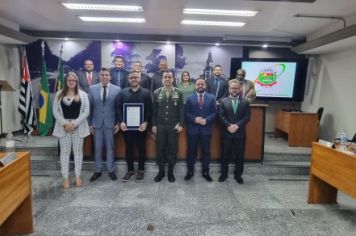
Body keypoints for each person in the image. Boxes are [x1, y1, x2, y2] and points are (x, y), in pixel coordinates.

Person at [52, 72, 90, 189]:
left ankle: (78, 176)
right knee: (65, 152)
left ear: (77, 81)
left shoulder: (83, 95)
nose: (71, 82)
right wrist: (65, 124)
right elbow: (55, 111)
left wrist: (74, 123)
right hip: (63, 128)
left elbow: (86, 111)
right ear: (66, 81)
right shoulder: (59, 94)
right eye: (69, 80)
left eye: (74, 80)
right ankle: (65, 177)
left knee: (78, 152)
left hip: (78, 127)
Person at [117, 72, 153, 182]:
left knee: (142, 149)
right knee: (129, 149)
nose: (134, 79)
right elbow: (118, 109)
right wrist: (121, 122)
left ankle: (141, 170)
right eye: (131, 78)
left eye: (136, 77)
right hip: (127, 128)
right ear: (128, 79)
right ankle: (130, 170)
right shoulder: (122, 93)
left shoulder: (146, 93)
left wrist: (146, 122)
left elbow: (149, 110)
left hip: (141, 128)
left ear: (139, 79)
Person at [88, 68, 120, 182]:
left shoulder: (117, 89)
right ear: (99, 76)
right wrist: (89, 124)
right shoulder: (92, 89)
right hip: (96, 124)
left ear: (110, 77)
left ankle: (111, 170)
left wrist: (118, 123)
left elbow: (118, 108)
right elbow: (89, 108)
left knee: (110, 148)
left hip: (110, 124)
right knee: (97, 148)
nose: (104, 76)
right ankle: (97, 170)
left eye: (107, 75)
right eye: (102, 75)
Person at [152, 70, 184, 182]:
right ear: (162, 79)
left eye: (169, 77)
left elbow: (181, 110)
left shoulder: (178, 92)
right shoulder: (157, 92)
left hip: (173, 126)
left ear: (173, 79)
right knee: (160, 148)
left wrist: (180, 124)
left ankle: (170, 172)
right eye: (165, 77)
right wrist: (154, 124)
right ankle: (161, 172)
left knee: (172, 149)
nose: (167, 79)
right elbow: (154, 111)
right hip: (160, 126)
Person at [218, 79, 250, 184]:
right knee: (225, 155)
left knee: (239, 156)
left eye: (236, 88)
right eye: (232, 88)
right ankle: (223, 174)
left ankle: (238, 176)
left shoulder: (245, 102)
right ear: (229, 89)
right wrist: (228, 125)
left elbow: (247, 117)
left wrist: (236, 125)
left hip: (239, 133)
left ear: (240, 89)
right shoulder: (223, 101)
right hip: (226, 133)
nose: (234, 90)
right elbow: (221, 116)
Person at [184, 78, 217, 182]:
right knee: (191, 152)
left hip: (206, 129)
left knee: (206, 152)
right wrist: (195, 119)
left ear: (205, 85)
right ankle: (190, 172)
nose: (200, 86)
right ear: (195, 86)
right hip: (193, 130)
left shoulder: (212, 98)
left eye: (202, 84)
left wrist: (206, 120)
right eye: (198, 84)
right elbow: (186, 113)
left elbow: (215, 113)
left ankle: (206, 172)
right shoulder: (189, 98)